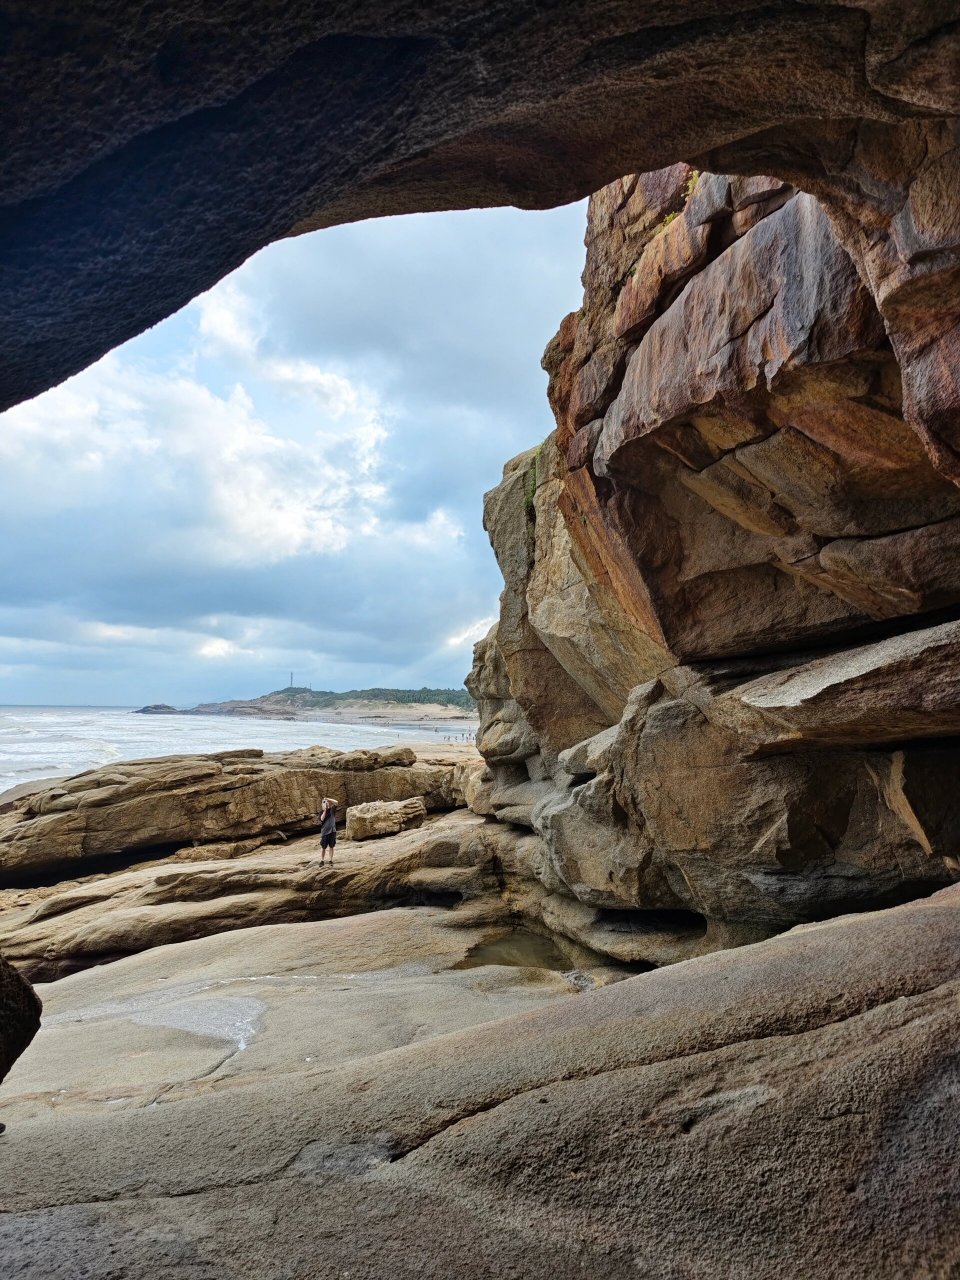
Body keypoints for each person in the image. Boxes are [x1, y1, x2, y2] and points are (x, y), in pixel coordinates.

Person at [319, 797, 338, 865]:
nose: (326, 804)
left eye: (327, 803)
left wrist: (328, 799)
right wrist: (324, 811)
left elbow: (336, 802)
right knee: (323, 847)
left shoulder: (332, 810)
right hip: (325, 832)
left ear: (328, 804)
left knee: (331, 846)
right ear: (322, 805)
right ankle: (322, 860)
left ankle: (330, 860)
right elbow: (322, 819)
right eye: (324, 803)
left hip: (333, 831)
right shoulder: (321, 812)